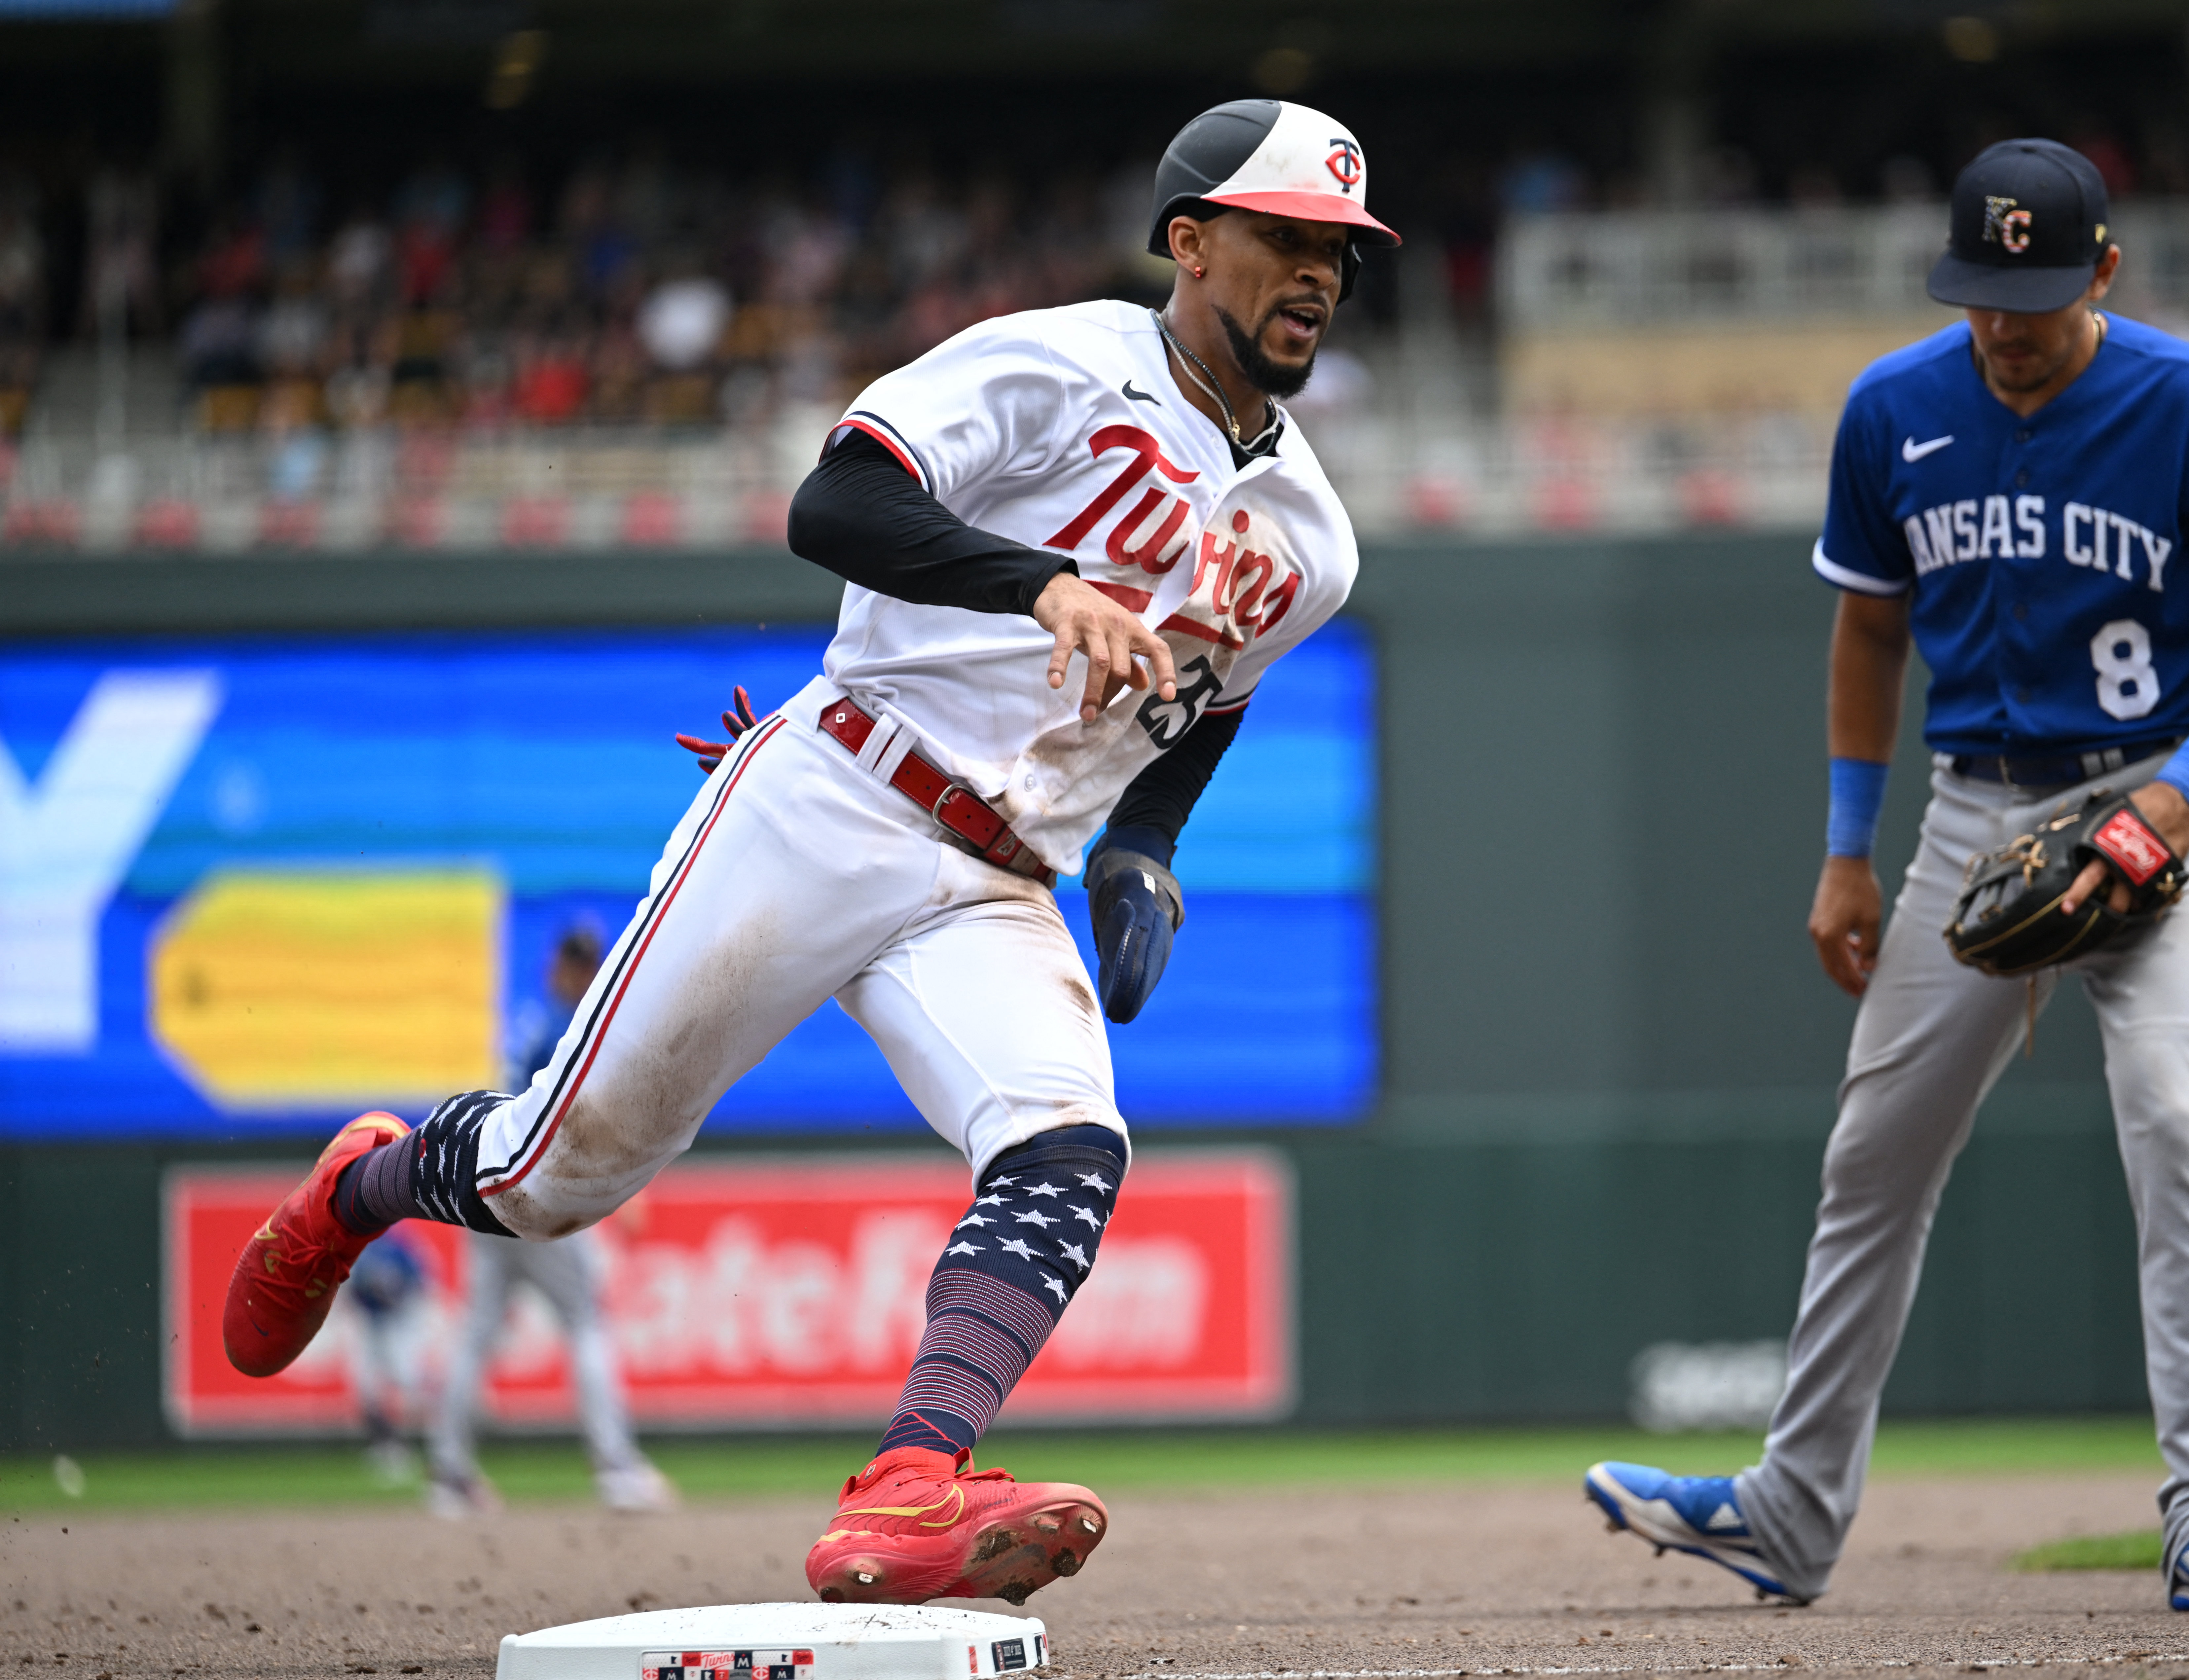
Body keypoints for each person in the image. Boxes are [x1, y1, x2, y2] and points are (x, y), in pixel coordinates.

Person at [219, 97, 1395, 1608]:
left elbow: (1206, 704)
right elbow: (833, 504)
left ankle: (909, 1483)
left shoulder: (1314, 536)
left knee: (1064, 1147)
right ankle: (361, 1187)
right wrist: (1045, 588)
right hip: (837, 789)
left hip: (1000, 873)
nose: (1316, 274)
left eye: (1339, 251)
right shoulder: (1054, 363)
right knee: (549, 1177)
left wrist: (1143, 851)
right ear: (1187, 239)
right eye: (1285, 237)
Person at [1585, 140, 2189, 1616]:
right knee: (1871, 1160)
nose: (2006, 326)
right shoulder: (1893, 408)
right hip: (1970, 817)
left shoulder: (2188, 405)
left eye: (2038, 298)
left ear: (2101, 274)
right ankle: (1787, 1515)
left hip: (2151, 808)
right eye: (1984, 295)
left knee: (2175, 1118)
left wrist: (2177, 799)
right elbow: (1866, 633)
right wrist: (1843, 851)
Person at [426, 924, 677, 1518]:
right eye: (579, 964)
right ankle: (616, 1466)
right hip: (529, 1195)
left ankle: (448, 1471)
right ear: (559, 968)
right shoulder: (563, 1029)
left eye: (590, 964)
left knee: (478, 1333)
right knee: (586, 1318)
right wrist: (626, 1193)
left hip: (482, 1187)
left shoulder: (526, 1020)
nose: (585, 975)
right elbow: (579, 1118)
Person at [342, 1230, 430, 1484]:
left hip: (399, 1323)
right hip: (370, 1323)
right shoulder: (358, 1247)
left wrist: (393, 1296)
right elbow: (349, 1290)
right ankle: (386, 1448)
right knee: (367, 1388)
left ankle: (416, 1448)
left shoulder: (398, 1246)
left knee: (408, 1384)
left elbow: (417, 1283)